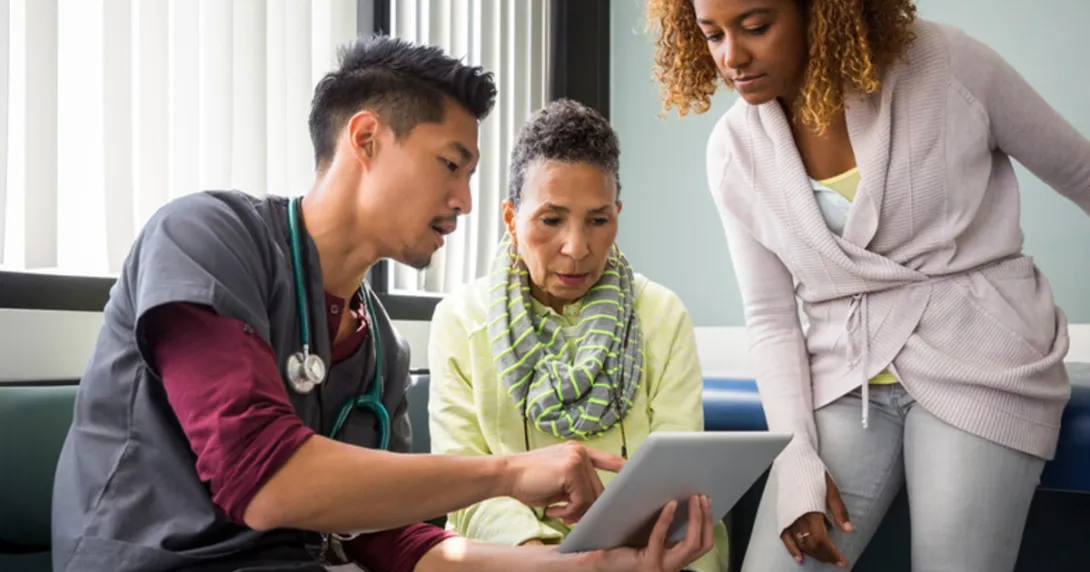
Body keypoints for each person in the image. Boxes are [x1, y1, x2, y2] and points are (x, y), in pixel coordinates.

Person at [50, 36, 716, 572]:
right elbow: (262, 481)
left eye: (471, 175)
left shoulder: (380, 349)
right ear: (366, 140)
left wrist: (588, 568)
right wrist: (510, 473)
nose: (465, 202)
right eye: (450, 165)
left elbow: (397, 545)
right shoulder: (205, 238)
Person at [646, 0, 1090, 570]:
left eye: (756, 27)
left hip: (982, 358)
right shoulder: (733, 150)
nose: (732, 57)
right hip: (845, 378)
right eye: (712, 36)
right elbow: (770, 317)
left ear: (820, 12)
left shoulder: (946, 63)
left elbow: (1080, 172)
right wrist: (795, 459)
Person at [426, 98, 728, 571]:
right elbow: (465, 489)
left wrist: (626, 554)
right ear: (511, 218)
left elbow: (676, 479)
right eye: (551, 219)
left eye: (598, 220)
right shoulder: (460, 321)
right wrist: (547, 562)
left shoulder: (661, 314)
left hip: (655, 553)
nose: (577, 247)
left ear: (617, 214)